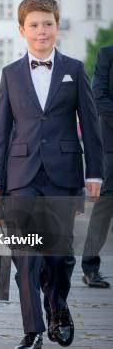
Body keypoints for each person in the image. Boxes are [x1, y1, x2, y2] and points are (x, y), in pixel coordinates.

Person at [0, 0, 103, 349]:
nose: (42, 31)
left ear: (56, 27)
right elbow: (0, 130)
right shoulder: (11, 74)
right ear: (22, 30)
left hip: (64, 176)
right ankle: (32, 332)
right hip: (21, 176)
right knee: (26, 257)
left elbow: (91, 124)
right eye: (34, 25)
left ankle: (58, 306)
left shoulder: (74, 68)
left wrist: (95, 172)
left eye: (48, 24)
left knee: (60, 255)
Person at [81, 45, 113, 287]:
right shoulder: (107, 54)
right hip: (110, 144)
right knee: (105, 204)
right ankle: (90, 268)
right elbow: (98, 94)